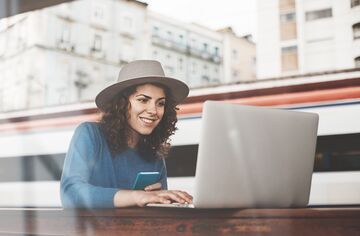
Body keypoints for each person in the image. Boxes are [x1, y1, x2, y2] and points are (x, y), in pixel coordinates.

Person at [60, 60, 193, 208]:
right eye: (143, 100)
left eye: (160, 103)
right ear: (121, 104)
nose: (154, 111)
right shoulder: (90, 134)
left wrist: (160, 202)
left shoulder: (155, 156)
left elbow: (157, 215)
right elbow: (70, 194)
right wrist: (137, 197)